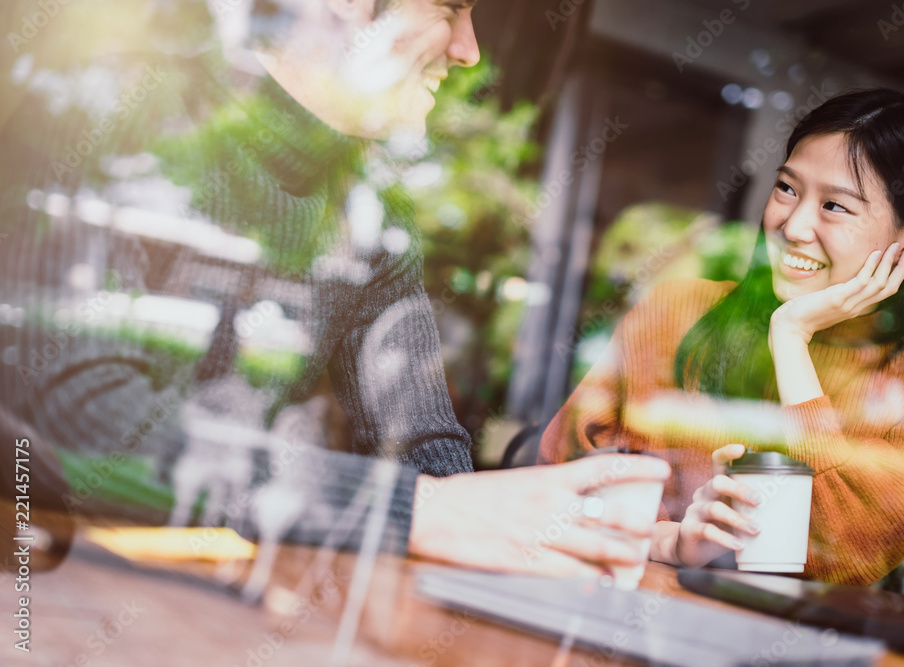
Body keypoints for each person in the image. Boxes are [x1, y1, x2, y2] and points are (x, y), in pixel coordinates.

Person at [0, 0, 668, 580]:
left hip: (203, 602)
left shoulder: (373, 205)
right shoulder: (106, 102)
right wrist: (421, 512)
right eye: (449, 8)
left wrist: (601, 532)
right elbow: (79, 423)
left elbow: (428, 454)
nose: (470, 51)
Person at [540, 88, 904, 586]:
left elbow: (848, 554)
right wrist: (671, 540)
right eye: (788, 189)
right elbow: (561, 482)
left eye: (835, 205)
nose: (793, 226)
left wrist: (790, 336)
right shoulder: (679, 307)